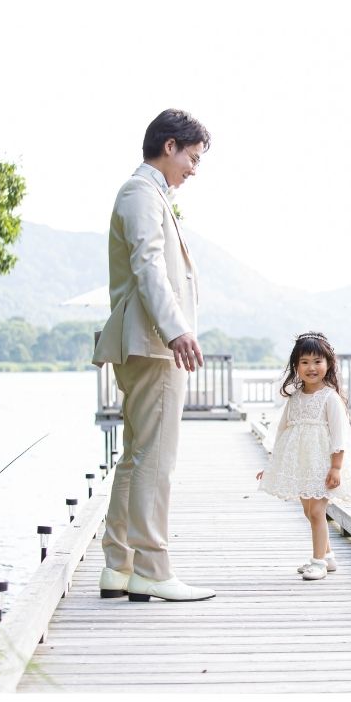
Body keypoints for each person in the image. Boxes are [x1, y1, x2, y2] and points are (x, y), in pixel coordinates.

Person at [91, 108, 216, 602]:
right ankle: (153, 569)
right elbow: (149, 268)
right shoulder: (141, 193)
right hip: (153, 343)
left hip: (144, 341)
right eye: (193, 157)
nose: (194, 169)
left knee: (136, 455)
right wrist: (177, 330)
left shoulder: (145, 193)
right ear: (169, 146)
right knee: (155, 458)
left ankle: (119, 566)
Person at [257, 332, 351, 580]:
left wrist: (336, 467)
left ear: (328, 364)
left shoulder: (330, 398)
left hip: (323, 465)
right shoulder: (295, 397)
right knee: (308, 511)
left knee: (316, 513)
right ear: (296, 366)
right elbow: (282, 431)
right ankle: (328, 556)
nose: (311, 367)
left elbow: (340, 435)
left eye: (317, 361)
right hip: (302, 465)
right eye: (304, 362)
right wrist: (272, 464)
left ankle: (318, 563)